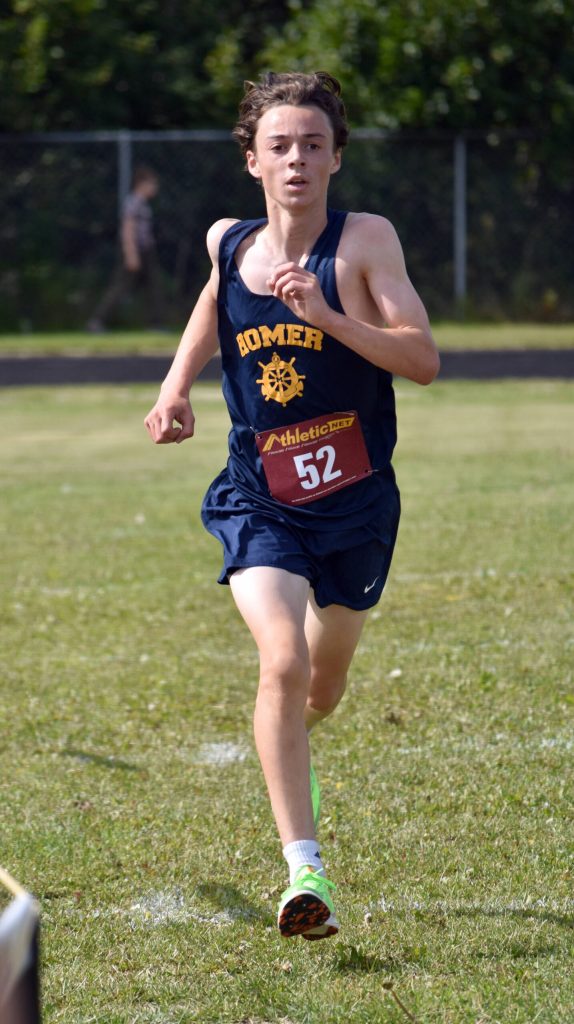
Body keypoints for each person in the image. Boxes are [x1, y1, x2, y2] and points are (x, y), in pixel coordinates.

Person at [144, 71, 440, 940]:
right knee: (281, 660)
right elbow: (211, 305)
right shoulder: (227, 241)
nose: (297, 159)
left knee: (323, 681)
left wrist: (330, 317)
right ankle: (304, 870)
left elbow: (421, 359)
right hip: (257, 495)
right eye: (279, 145)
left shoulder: (364, 243)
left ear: (336, 156)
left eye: (313, 144)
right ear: (252, 160)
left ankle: (299, 726)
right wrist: (177, 389)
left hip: (354, 505)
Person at [88, 165, 164, 332]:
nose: (154, 188)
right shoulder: (134, 202)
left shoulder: (143, 204)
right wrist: (131, 254)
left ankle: (155, 324)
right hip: (136, 251)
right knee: (120, 287)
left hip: (146, 251)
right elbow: (127, 229)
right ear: (141, 184)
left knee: (153, 287)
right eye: (152, 184)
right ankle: (97, 321)